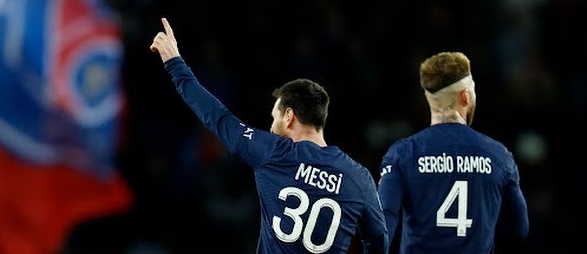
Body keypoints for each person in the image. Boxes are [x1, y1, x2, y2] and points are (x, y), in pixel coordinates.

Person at [150, 17, 388, 253]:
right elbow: (379, 242)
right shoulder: (359, 178)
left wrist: (175, 63)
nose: (272, 127)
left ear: (289, 116)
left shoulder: (273, 152)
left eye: (275, 117)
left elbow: (217, 117)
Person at [377, 51, 529, 253]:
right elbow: (520, 229)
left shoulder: (403, 154)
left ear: (427, 97)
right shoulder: (499, 156)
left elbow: (382, 224)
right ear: (466, 95)